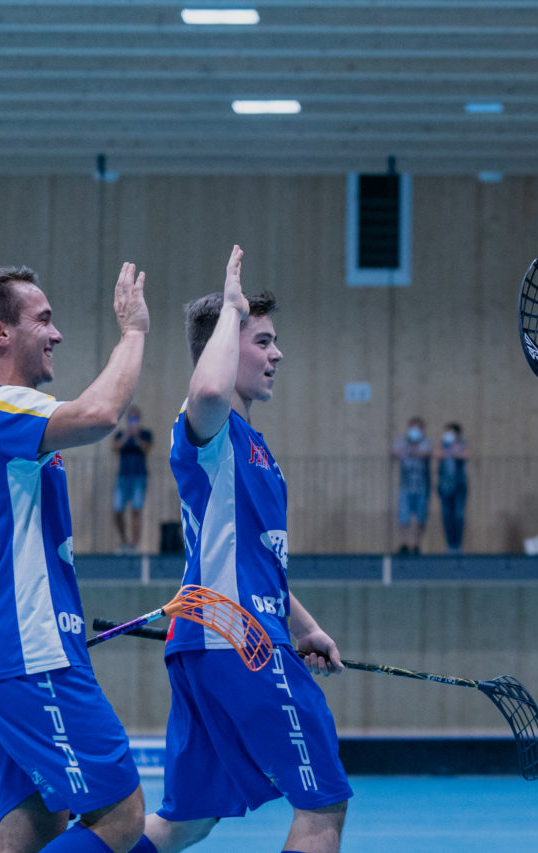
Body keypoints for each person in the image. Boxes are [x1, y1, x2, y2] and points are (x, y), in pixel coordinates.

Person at [131, 246, 351, 853]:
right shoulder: (210, 428)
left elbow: (255, 558)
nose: (276, 353)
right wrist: (230, 309)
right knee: (323, 799)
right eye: (262, 340)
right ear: (226, 347)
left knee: (187, 821)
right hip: (243, 642)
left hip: (217, 638)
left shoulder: (252, 446)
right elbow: (205, 389)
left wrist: (303, 625)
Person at [0, 262, 149, 852]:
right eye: (44, 319)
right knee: (120, 814)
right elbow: (97, 415)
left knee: (36, 818)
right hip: (27, 649)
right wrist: (133, 331)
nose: (57, 334)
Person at [111, 405, 153, 554]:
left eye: (135, 418)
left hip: (139, 477)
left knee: (136, 510)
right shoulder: (122, 434)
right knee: (117, 510)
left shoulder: (145, 434)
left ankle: (134, 545)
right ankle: (123, 541)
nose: (132, 421)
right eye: (130, 418)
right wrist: (127, 436)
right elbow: (115, 448)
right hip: (123, 477)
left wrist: (136, 436)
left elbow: (146, 449)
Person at [392, 416, 431, 554]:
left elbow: (424, 453)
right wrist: (411, 452)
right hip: (406, 485)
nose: (415, 431)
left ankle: (416, 544)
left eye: (417, 428)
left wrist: (409, 452)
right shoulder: (401, 441)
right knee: (404, 516)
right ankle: (404, 543)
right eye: (412, 428)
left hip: (421, 485)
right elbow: (396, 452)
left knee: (420, 517)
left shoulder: (426, 442)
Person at [436, 422, 470, 554]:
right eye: (447, 432)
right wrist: (451, 450)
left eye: (451, 432)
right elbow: (438, 454)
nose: (448, 435)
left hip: (459, 485)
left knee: (458, 515)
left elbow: (465, 454)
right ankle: (450, 545)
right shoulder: (442, 444)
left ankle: (458, 545)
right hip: (445, 485)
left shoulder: (463, 443)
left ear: (457, 434)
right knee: (447, 515)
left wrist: (452, 450)